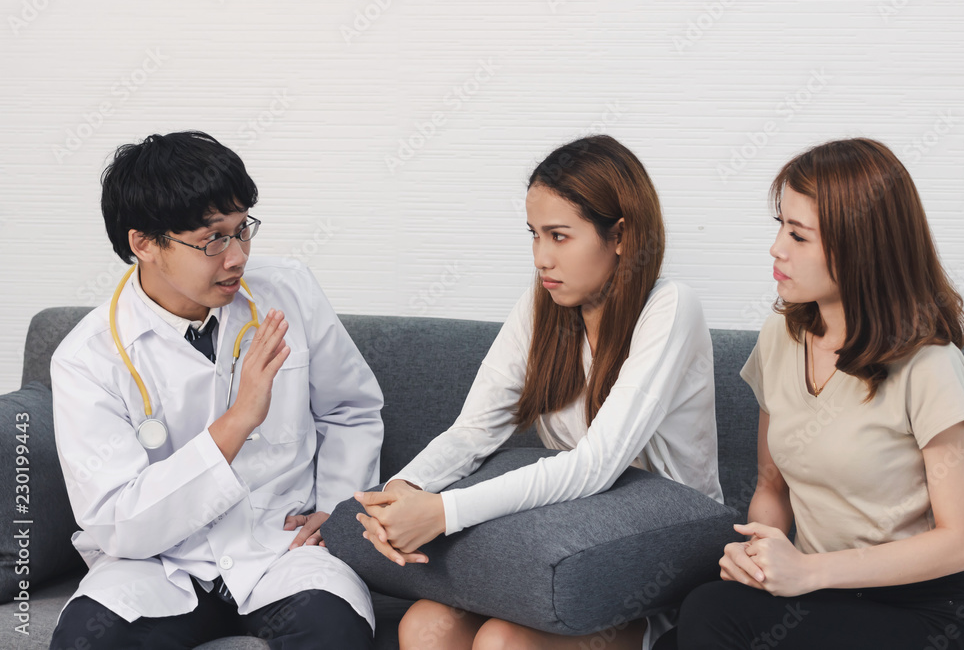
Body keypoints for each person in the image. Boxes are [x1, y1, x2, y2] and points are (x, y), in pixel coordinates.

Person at [355, 135, 724, 650]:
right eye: (534, 235)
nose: (541, 258)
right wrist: (405, 489)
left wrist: (445, 512)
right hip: (567, 535)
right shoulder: (544, 308)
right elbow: (474, 432)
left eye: (559, 236)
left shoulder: (670, 308)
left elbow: (596, 464)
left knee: (504, 642)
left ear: (619, 235)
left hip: (658, 550)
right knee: (421, 626)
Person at [49, 131, 383, 649]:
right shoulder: (86, 358)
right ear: (144, 244)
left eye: (241, 230)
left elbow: (350, 410)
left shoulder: (288, 289)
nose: (237, 257)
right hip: (159, 563)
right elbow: (120, 522)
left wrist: (338, 511)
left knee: (334, 633)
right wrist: (238, 420)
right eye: (212, 240)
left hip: (282, 548)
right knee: (85, 641)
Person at [675, 138, 964, 649]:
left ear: (860, 246)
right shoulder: (781, 335)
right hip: (821, 601)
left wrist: (810, 571)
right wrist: (757, 557)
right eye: (780, 225)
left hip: (921, 612)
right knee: (696, 621)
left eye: (798, 235)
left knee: (710, 614)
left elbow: (962, 541)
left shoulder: (929, 364)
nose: (777, 247)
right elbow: (772, 487)